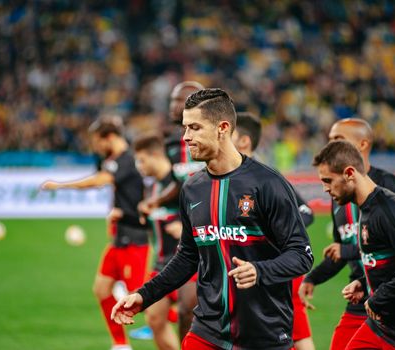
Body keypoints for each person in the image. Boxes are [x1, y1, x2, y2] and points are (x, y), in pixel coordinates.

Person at [112, 88, 314, 349]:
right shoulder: (192, 188)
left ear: (222, 127)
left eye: (194, 127)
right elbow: (187, 256)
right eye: (185, 128)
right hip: (207, 331)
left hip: (263, 333)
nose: (185, 137)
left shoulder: (268, 184)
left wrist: (260, 270)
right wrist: (143, 295)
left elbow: (302, 254)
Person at [299, 118, 395, 350]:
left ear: (362, 144)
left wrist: (347, 250)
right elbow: (338, 250)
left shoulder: (390, 187)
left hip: (393, 297)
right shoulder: (338, 194)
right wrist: (313, 278)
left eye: (338, 139)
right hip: (359, 294)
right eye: (330, 139)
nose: (330, 144)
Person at [312, 140, 395, 350]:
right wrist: (363, 283)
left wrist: (378, 297)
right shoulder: (365, 207)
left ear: (350, 173)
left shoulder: (387, 209)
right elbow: (390, 261)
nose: (325, 189)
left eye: (328, 181)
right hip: (383, 327)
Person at [41, 118, 149, 350]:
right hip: (119, 238)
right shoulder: (112, 161)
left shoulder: (127, 160)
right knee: (101, 289)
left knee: (146, 303)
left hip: (135, 239)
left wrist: (60, 186)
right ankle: (120, 345)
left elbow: (99, 181)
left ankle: (188, 314)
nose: (96, 147)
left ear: (109, 137)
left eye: (97, 142)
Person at [233, 112, 315, 350]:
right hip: (246, 267)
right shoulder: (228, 177)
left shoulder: (267, 177)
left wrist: (276, 231)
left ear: (244, 141)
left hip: (277, 266)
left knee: (297, 332)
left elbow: (306, 212)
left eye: (230, 133)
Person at [136, 81, 205, 341]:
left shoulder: (212, 142)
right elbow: (179, 184)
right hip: (174, 244)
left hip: (205, 239)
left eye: (180, 100)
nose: (173, 106)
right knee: (155, 318)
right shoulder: (173, 147)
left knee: (190, 308)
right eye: (173, 101)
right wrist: (156, 201)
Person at [133, 133, 182, 350]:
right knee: (154, 319)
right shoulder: (152, 187)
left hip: (187, 264)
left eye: (142, 160)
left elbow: (202, 210)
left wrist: (185, 227)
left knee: (191, 321)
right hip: (161, 263)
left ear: (155, 155)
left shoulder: (180, 181)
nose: (139, 166)